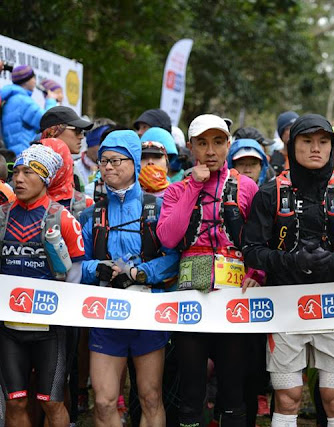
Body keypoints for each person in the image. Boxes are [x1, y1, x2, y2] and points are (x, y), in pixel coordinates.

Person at [243, 113, 334, 427]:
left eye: (323, 141)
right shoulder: (270, 192)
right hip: (285, 309)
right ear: (292, 146)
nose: (316, 148)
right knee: (287, 398)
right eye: (307, 141)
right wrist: (292, 261)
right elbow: (251, 250)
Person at [157, 114, 261, 427]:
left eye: (217, 142)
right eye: (202, 143)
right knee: (191, 389)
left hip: (234, 299)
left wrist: (257, 273)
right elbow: (168, 238)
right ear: (190, 148)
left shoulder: (247, 187)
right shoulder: (176, 190)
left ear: (228, 144)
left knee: (232, 388)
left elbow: (260, 239)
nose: (211, 151)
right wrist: (194, 186)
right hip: (191, 300)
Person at [81, 130, 179, 427]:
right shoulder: (92, 214)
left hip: (148, 313)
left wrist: (141, 272)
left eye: (116, 160)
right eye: (103, 161)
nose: (108, 167)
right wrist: (97, 268)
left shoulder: (157, 208)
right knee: (103, 402)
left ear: (134, 163)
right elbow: (75, 266)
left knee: (150, 397)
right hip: (105, 314)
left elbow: (175, 257)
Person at [0, 144, 85, 427]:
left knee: (51, 402)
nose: (18, 179)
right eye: (16, 172)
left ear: (45, 178)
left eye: (28, 173)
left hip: (50, 331)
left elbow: (75, 278)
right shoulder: (2, 215)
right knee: (15, 402)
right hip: (8, 329)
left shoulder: (62, 218)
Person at [1, 65, 58, 156]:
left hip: (14, 153)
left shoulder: (11, 98)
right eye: (34, 78)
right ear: (28, 80)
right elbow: (47, 121)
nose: (35, 81)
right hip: (24, 154)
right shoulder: (23, 101)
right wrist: (51, 101)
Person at [75, 119, 114, 192]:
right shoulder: (74, 168)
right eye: (101, 144)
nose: (108, 150)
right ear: (91, 143)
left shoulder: (118, 168)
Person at [270, 110, 299, 175]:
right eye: (288, 128)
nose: (293, 131)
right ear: (281, 133)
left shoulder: (308, 157)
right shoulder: (271, 159)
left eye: (296, 127)